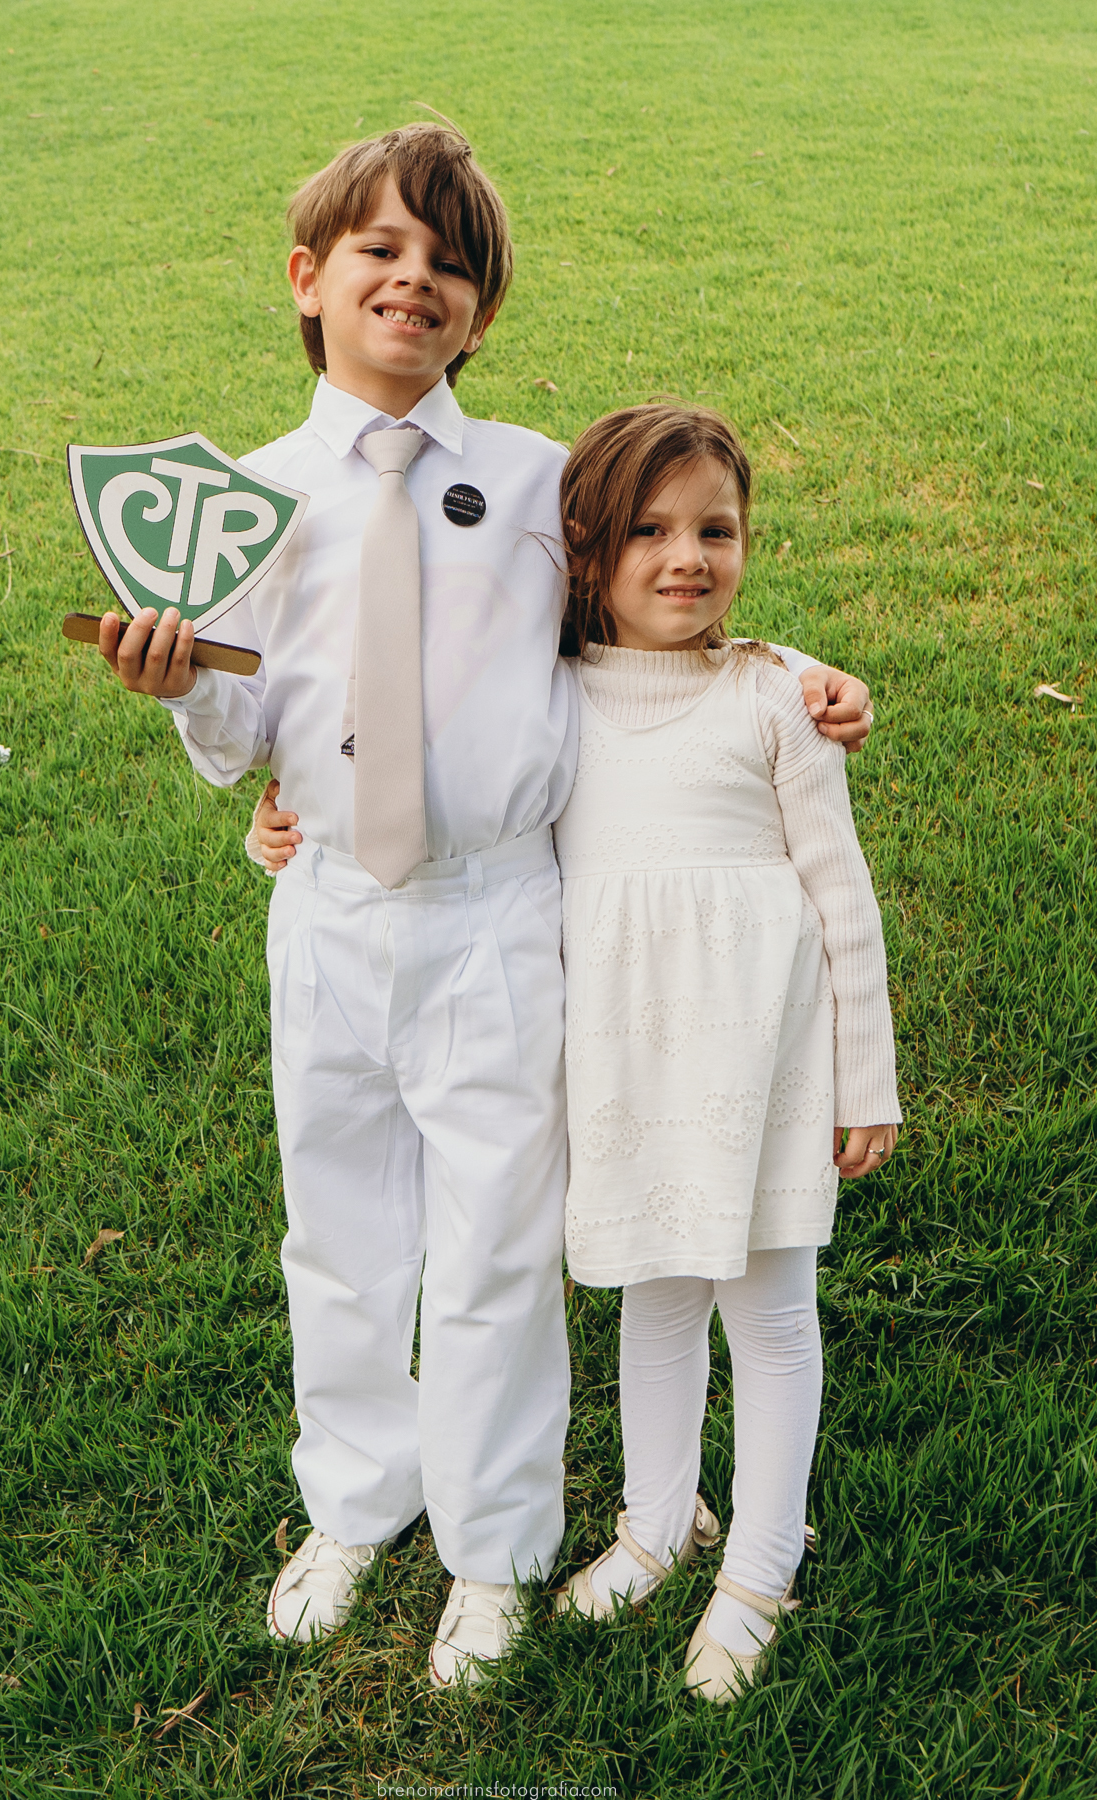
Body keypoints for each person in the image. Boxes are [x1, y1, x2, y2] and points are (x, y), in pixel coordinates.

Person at [96, 123, 874, 1685]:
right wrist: (184, 697)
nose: (416, 281)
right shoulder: (244, 500)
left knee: (498, 1243)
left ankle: (498, 1546)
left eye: (451, 265)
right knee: (340, 1228)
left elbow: (653, 613)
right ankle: (355, 1504)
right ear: (309, 280)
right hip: (326, 908)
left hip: (500, 915)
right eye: (381, 252)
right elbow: (247, 734)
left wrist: (792, 669)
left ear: (483, 310)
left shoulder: (533, 481)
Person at [546, 403, 900, 1704]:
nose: (685, 555)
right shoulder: (552, 695)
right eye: (648, 529)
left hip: (762, 1048)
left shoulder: (778, 693)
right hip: (630, 1054)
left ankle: (759, 1560)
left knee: (767, 1306)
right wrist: (285, 822)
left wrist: (869, 1077)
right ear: (587, 549)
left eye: (715, 528)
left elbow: (840, 894)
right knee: (654, 1291)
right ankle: (655, 1522)